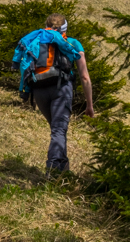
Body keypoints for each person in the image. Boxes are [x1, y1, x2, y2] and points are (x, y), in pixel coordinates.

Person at [14, 13, 94, 176]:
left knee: (58, 130)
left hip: (38, 89)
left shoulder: (37, 39)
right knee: (59, 130)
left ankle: (63, 172)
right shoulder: (72, 43)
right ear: (64, 28)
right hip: (60, 89)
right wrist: (89, 104)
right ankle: (52, 171)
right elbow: (84, 76)